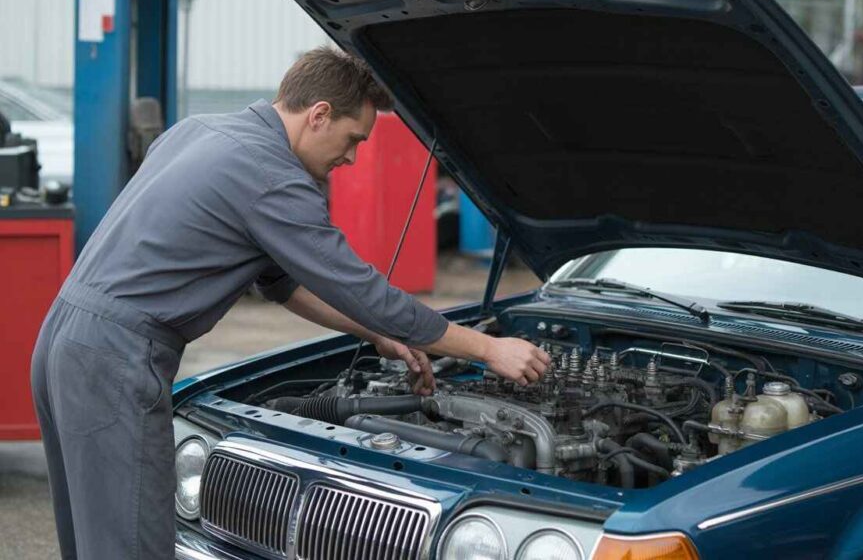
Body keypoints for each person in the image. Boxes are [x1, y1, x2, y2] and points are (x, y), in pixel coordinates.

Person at [30, 46, 549, 560]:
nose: (351, 158)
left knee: (92, 539)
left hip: (64, 339)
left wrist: (374, 334)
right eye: (352, 140)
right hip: (115, 358)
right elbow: (366, 290)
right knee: (129, 547)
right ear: (319, 114)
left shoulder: (200, 131)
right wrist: (487, 348)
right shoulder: (272, 176)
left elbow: (283, 284)